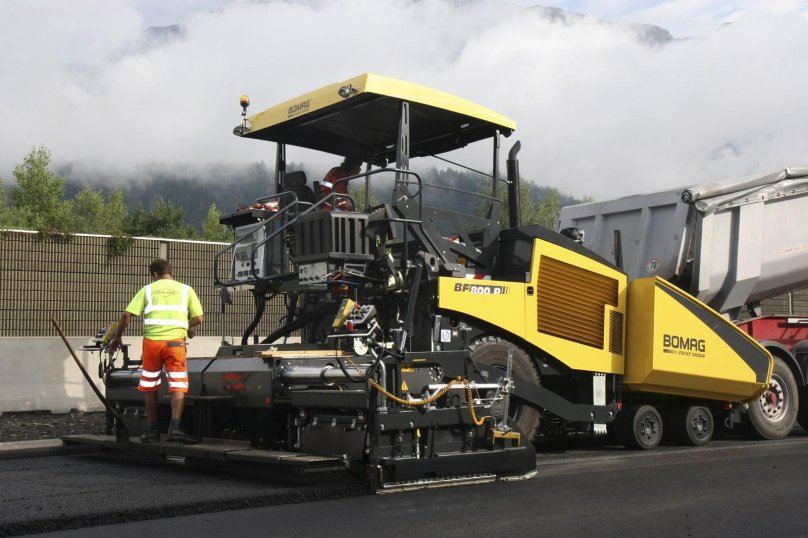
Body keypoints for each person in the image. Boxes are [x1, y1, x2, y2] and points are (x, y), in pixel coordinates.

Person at [108, 259, 204, 444]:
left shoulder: (147, 290)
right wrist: (184, 325)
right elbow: (199, 319)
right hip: (175, 344)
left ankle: (153, 430)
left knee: (150, 386)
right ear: (171, 272)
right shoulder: (186, 290)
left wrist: (117, 337)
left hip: (152, 344)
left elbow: (126, 315)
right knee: (178, 386)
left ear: (154, 275)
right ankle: (175, 428)